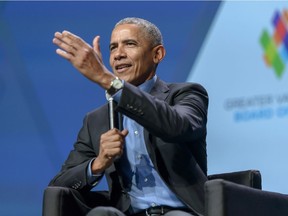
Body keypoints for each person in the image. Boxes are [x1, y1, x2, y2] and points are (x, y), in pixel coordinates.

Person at [49, 17, 209, 216]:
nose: (118, 55)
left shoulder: (186, 95)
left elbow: (177, 127)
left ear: (157, 54)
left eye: (130, 44)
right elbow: (58, 186)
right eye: (113, 48)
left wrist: (107, 80)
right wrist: (98, 163)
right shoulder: (96, 120)